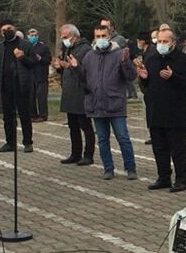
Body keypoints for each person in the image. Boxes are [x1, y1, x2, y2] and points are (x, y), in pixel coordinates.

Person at [137, 28, 186, 192]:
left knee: (178, 150)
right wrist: (144, 78)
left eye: (165, 41)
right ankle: (163, 177)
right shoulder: (152, 59)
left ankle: (182, 179)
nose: (161, 45)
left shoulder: (184, 60)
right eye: (159, 42)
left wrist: (173, 77)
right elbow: (147, 85)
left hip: (175, 112)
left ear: (173, 43)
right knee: (159, 148)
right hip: (156, 111)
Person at [79, 25, 138, 180]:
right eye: (97, 36)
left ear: (109, 36)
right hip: (96, 105)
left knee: (123, 138)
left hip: (115, 104)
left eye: (103, 35)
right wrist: (73, 69)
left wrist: (126, 62)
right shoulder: (89, 56)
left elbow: (131, 76)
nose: (100, 39)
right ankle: (108, 168)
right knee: (103, 140)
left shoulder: (120, 54)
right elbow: (84, 79)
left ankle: (130, 168)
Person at [0, 22, 37, 153]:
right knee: (8, 116)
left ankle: (28, 142)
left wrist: (22, 58)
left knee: (24, 114)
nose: (6, 31)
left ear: (15, 29)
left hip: (21, 84)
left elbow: (33, 63)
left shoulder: (25, 45)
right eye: (3, 30)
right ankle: (10, 142)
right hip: (5, 85)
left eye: (9, 29)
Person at [54, 24, 95, 165]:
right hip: (69, 92)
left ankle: (88, 154)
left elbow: (86, 71)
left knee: (85, 125)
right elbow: (67, 68)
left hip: (81, 92)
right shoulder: (68, 48)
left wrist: (71, 66)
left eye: (65, 37)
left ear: (74, 36)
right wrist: (60, 67)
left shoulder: (85, 49)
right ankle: (75, 153)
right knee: (72, 126)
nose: (63, 39)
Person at [27, 28, 52, 122]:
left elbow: (48, 60)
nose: (33, 37)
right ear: (28, 36)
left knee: (41, 97)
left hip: (41, 75)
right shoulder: (26, 46)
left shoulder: (43, 47)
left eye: (35, 35)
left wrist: (40, 58)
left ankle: (43, 115)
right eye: (31, 35)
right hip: (30, 75)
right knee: (31, 97)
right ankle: (32, 114)